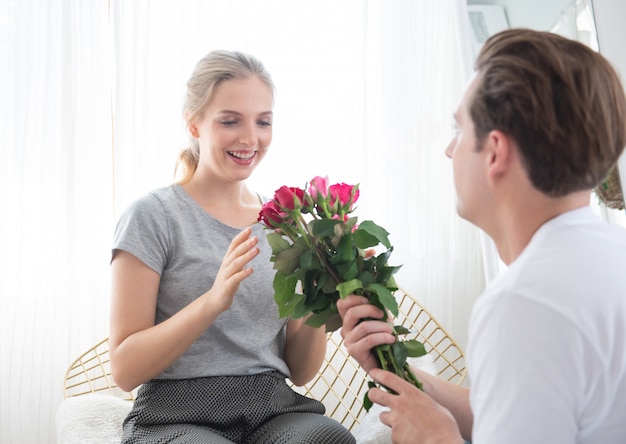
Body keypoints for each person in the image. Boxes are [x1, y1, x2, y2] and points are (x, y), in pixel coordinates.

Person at [338, 28, 626, 444]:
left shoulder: (524, 303)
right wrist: (395, 370)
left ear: (494, 151)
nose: (450, 150)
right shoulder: (611, 256)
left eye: (460, 129)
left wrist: (437, 438)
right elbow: (525, 418)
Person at [109, 49, 356, 444]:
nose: (250, 138)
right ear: (194, 125)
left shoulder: (286, 224)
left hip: (272, 408)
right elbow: (124, 368)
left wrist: (322, 296)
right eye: (230, 121)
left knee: (328, 440)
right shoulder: (153, 217)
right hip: (175, 414)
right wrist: (213, 301)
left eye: (263, 122)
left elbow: (300, 370)